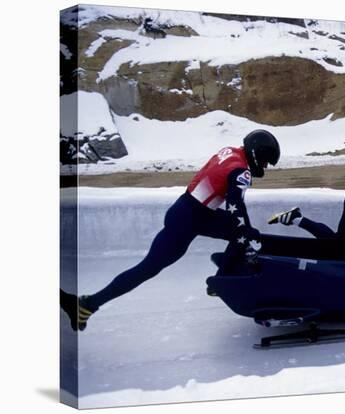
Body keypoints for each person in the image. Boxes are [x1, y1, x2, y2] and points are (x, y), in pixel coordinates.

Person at [61, 129, 280, 331]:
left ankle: (220, 280)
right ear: (255, 153)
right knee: (148, 268)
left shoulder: (230, 152)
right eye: (264, 160)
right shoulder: (241, 173)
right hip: (189, 220)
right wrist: (245, 239)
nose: (265, 167)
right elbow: (236, 209)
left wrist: (244, 234)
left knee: (243, 233)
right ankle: (88, 304)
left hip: (186, 209)